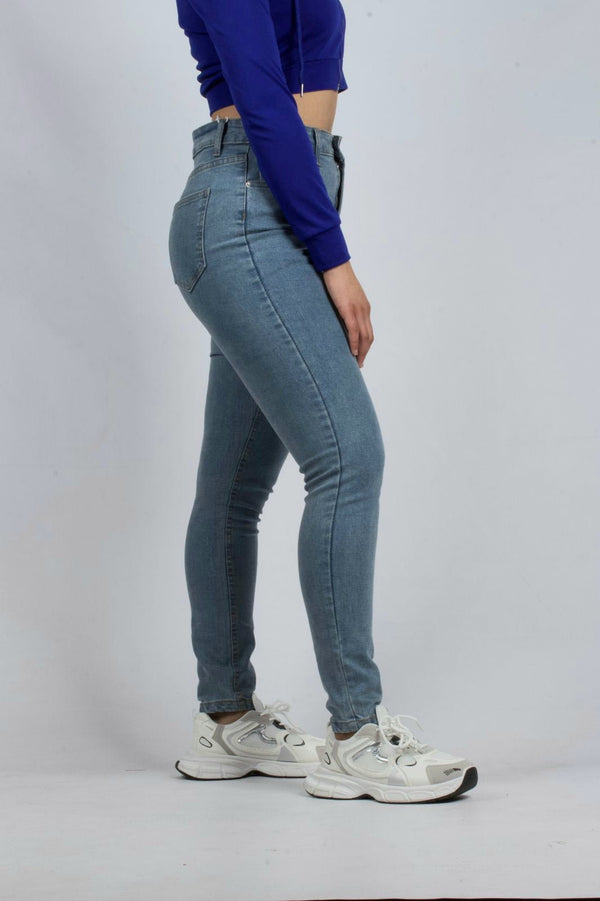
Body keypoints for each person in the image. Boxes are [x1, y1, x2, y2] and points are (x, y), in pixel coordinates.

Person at [168, 0, 478, 803]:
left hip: (279, 198)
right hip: (245, 203)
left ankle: (227, 718)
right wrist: (332, 258)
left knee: (234, 489)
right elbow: (264, 99)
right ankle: (356, 734)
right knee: (348, 456)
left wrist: (316, 230)